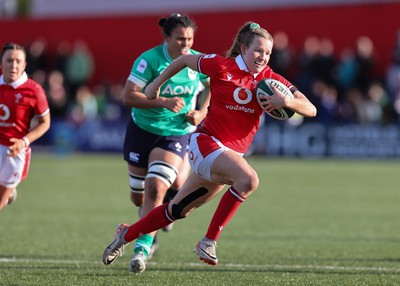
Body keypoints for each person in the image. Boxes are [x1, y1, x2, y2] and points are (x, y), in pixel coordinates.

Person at [103, 22, 316, 268]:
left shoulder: (270, 79)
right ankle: (208, 241)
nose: (263, 57)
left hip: (228, 156)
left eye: (267, 53)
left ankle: (124, 235)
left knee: (176, 211)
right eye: (258, 51)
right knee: (249, 180)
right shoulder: (220, 65)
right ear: (244, 48)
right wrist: (155, 84)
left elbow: (311, 109)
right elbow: (183, 61)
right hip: (206, 143)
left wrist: (287, 101)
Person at [120, 13, 210, 273]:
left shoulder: (196, 61)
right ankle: (155, 224)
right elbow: (128, 96)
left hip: (176, 132)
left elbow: (211, 83)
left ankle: (141, 251)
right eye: (180, 39)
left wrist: (202, 111)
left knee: (155, 188)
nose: (186, 44)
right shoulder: (149, 60)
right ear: (167, 38)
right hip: (142, 130)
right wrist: (162, 102)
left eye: (190, 39)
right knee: (138, 196)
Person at [0, 43, 51, 210]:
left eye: (17, 61)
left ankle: (8, 193)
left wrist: (23, 142)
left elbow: (45, 123)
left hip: (13, 153)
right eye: (9, 60)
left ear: (24, 65)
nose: (13, 66)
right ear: (2, 63)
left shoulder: (34, 90)